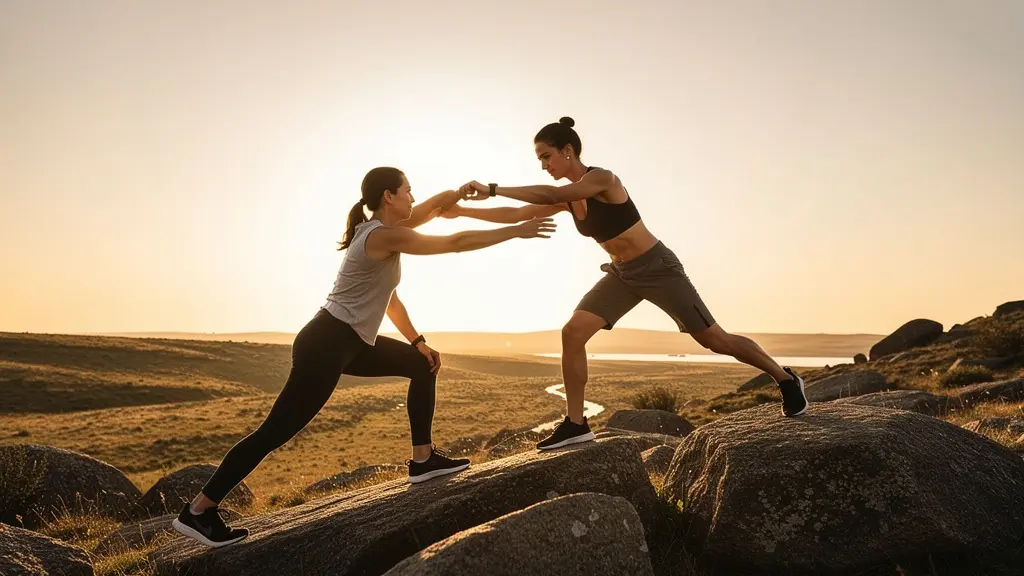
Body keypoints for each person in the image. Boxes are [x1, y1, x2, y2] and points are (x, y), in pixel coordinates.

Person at [172, 166, 555, 547]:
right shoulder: (381, 236)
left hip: (350, 342)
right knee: (274, 432)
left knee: (421, 364)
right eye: (408, 190)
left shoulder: (382, 231)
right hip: (326, 343)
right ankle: (199, 511)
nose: (412, 197)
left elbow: (394, 293)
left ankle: (423, 461)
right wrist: (514, 231)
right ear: (389, 196)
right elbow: (455, 242)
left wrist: (417, 340)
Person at [444, 117, 808, 451]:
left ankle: (784, 379)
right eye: (540, 159)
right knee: (572, 333)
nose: (543, 164)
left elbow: (551, 195)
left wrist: (492, 188)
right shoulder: (570, 200)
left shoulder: (603, 179)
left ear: (567, 151)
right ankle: (575, 422)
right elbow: (517, 214)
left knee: (714, 339)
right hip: (622, 276)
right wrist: (462, 211)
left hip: (658, 268)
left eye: (546, 156)